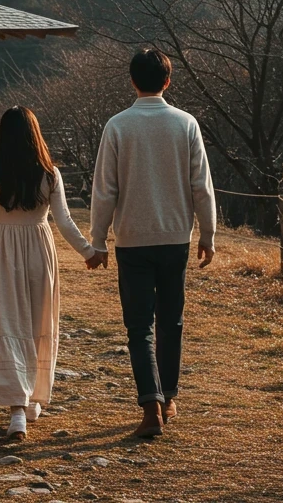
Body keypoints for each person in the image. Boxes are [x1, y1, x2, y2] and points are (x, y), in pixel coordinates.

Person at [88, 47, 217, 438]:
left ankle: (151, 406)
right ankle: (170, 396)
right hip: (175, 236)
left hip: (132, 239)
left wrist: (98, 240)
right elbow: (202, 186)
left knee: (139, 325)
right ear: (167, 80)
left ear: (132, 81)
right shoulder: (185, 123)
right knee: (171, 321)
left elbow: (105, 190)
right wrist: (208, 234)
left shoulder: (118, 126)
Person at [0, 106, 104, 440]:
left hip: (4, 251)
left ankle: (18, 409)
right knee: (37, 324)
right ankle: (29, 399)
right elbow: (64, 220)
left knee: (8, 326)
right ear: (35, 136)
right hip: (39, 249)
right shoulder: (50, 174)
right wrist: (89, 252)